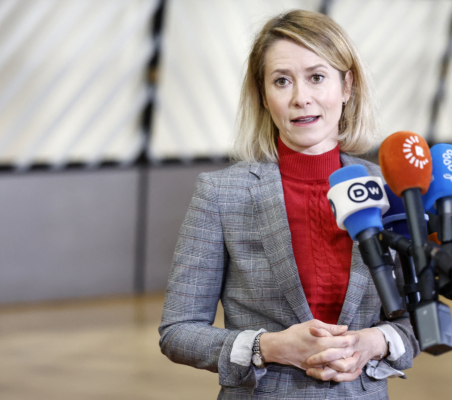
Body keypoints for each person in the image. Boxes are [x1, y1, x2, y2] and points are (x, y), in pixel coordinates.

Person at [159, 9, 420, 399]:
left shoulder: (391, 189)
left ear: (347, 86)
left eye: (317, 77)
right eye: (282, 81)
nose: (301, 98)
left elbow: (422, 320)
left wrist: (374, 342)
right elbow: (178, 331)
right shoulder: (220, 193)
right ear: (264, 96)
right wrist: (268, 347)